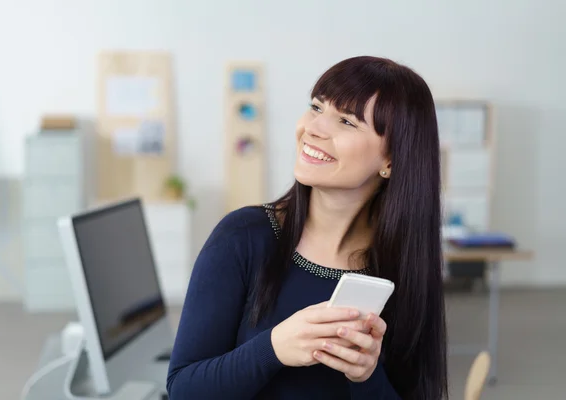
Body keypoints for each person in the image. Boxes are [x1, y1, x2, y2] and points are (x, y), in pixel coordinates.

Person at [166, 56, 448, 399]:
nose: (313, 128)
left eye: (346, 121)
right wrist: (274, 348)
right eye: (316, 107)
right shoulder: (242, 237)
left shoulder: (402, 267)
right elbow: (183, 389)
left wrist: (366, 377)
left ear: (390, 160)